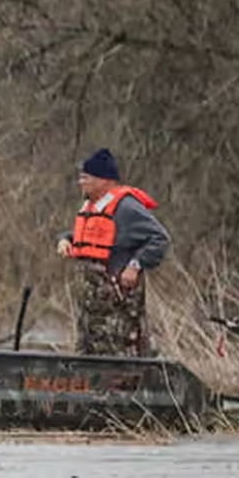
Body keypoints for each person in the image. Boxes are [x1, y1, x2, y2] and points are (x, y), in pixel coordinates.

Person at [58, 147, 169, 356]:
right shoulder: (92, 206)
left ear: (105, 181)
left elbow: (159, 238)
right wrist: (65, 239)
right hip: (91, 309)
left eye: (86, 178)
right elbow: (88, 236)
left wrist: (135, 266)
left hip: (116, 304)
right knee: (87, 353)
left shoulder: (126, 207)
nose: (81, 182)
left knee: (118, 354)